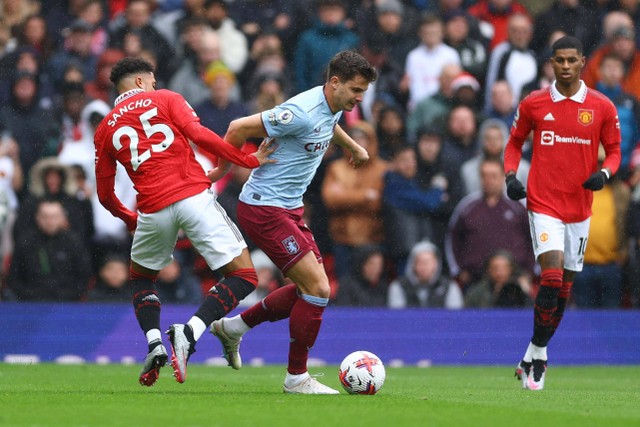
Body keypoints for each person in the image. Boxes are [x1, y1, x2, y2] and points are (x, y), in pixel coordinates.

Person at [94, 57, 275, 387]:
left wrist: (130, 219)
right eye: (151, 80)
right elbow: (199, 134)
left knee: (142, 279)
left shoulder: (104, 129)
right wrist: (247, 159)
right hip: (192, 196)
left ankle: (153, 344)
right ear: (139, 82)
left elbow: (105, 195)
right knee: (244, 275)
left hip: (151, 209)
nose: (153, 84)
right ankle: (190, 332)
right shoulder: (166, 98)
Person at [208, 50, 377, 394]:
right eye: (356, 90)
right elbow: (237, 127)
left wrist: (352, 146)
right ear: (334, 83)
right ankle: (296, 378)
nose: (360, 98)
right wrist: (224, 169)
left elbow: (328, 123)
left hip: (287, 208)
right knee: (318, 289)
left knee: (308, 289)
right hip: (264, 209)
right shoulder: (298, 112)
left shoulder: (329, 107)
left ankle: (235, 327)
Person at [503, 36, 621, 390]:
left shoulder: (602, 106)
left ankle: (535, 351)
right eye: (559, 60)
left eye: (572, 60)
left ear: (583, 61)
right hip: (544, 203)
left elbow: (615, 150)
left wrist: (605, 173)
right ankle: (539, 360)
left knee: (565, 288)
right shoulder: (535, 103)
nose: (566, 66)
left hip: (580, 208)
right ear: (551, 64)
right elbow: (513, 143)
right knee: (551, 278)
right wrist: (511, 175)